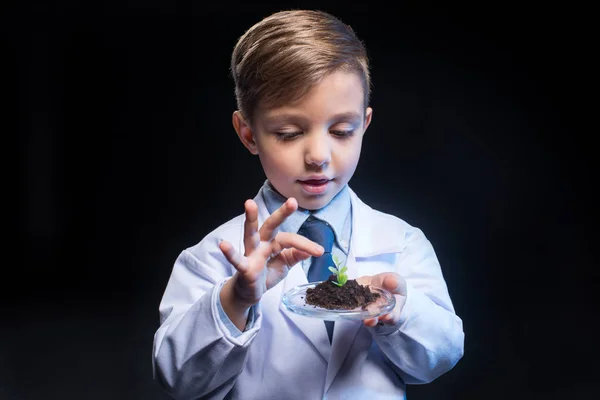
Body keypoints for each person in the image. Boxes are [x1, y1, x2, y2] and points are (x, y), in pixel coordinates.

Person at [152, 9, 464, 400]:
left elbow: (441, 357)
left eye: (341, 131)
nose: (318, 155)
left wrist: (399, 311)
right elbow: (178, 379)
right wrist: (236, 299)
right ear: (248, 134)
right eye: (288, 133)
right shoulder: (213, 257)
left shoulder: (402, 244)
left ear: (364, 125)